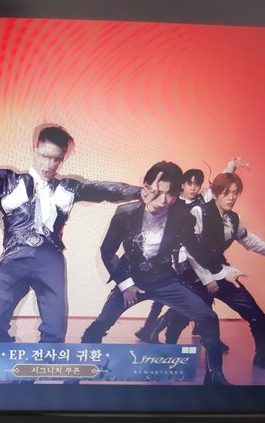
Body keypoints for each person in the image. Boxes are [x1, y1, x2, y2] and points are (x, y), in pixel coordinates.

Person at [0, 124, 158, 343]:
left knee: (55, 330)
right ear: (35, 150)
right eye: (45, 156)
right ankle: (9, 364)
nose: (50, 165)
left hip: (50, 260)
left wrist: (139, 192)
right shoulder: (8, 181)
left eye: (57, 159)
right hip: (14, 259)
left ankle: (42, 368)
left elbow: (102, 190)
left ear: (62, 158)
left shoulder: (69, 188)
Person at [81, 161, 232, 385]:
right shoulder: (125, 214)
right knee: (103, 321)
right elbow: (107, 252)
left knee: (208, 317)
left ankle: (215, 374)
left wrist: (221, 270)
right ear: (146, 188)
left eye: (170, 195)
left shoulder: (183, 217)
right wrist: (125, 284)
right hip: (131, 278)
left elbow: (196, 250)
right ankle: (81, 368)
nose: (162, 201)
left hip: (164, 279)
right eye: (157, 192)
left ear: (177, 195)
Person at [135, 158, 250, 343]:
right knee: (167, 296)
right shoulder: (173, 201)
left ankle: (204, 333)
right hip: (175, 256)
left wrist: (232, 166)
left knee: (200, 293)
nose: (193, 188)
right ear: (182, 184)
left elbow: (220, 186)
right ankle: (150, 329)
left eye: (197, 184)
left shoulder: (201, 200)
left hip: (194, 255)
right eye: (190, 183)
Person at [156, 173, 265, 367]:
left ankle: (262, 356)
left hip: (220, 271)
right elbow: (190, 249)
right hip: (194, 271)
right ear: (214, 194)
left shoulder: (234, 218)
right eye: (225, 192)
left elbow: (248, 239)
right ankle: (168, 352)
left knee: (256, 314)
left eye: (235, 193)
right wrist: (207, 278)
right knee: (184, 316)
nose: (231, 197)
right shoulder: (199, 212)